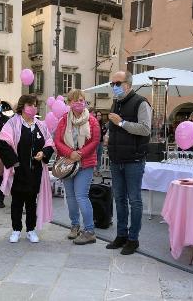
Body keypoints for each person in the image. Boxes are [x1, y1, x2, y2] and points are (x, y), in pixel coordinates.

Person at [0, 94, 54, 243]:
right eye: (30, 105)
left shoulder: (40, 125)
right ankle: (16, 229)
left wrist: (44, 153)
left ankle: (31, 229)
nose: (33, 108)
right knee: (17, 202)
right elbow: (2, 144)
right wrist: (15, 164)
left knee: (31, 202)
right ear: (22, 107)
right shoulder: (12, 123)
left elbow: (49, 143)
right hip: (18, 170)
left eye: (35, 105)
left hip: (36, 171)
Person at [106, 71, 152, 255]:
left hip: (134, 159)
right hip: (116, 159)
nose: (114, 86)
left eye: (117, 83)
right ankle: (121, 235)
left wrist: (122, 123)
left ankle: (133, 239)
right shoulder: (116, 102)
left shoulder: (141, 102)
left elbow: (145, 129)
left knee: (134, 200)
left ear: (128, 83)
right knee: (119, 200)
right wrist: (109, 136)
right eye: (112, 84)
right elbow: (114, 127)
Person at [54, 89, 100, 245]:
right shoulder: (63, 120)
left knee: (81, 196)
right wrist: (69, 153)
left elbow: (95, 141)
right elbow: (58, 141)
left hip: (85, 163)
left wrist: (79, 153)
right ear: (69, 103)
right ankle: (74, 226)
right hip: (67, 163)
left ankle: (89, 231)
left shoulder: (92, 120)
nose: (79, 103)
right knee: (71, 197)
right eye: (75, 100)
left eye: (81, 100)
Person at [95, 111, 107, 177]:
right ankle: (94, 171)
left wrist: (105, 140)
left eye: (100, 115)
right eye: (97, 115)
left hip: (101, 142)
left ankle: (97, 170)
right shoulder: (93, 123)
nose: (99, 116)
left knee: (99, 157)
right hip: (95, 143)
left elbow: (104, 133)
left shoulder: (102, 124)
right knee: (95, 157)